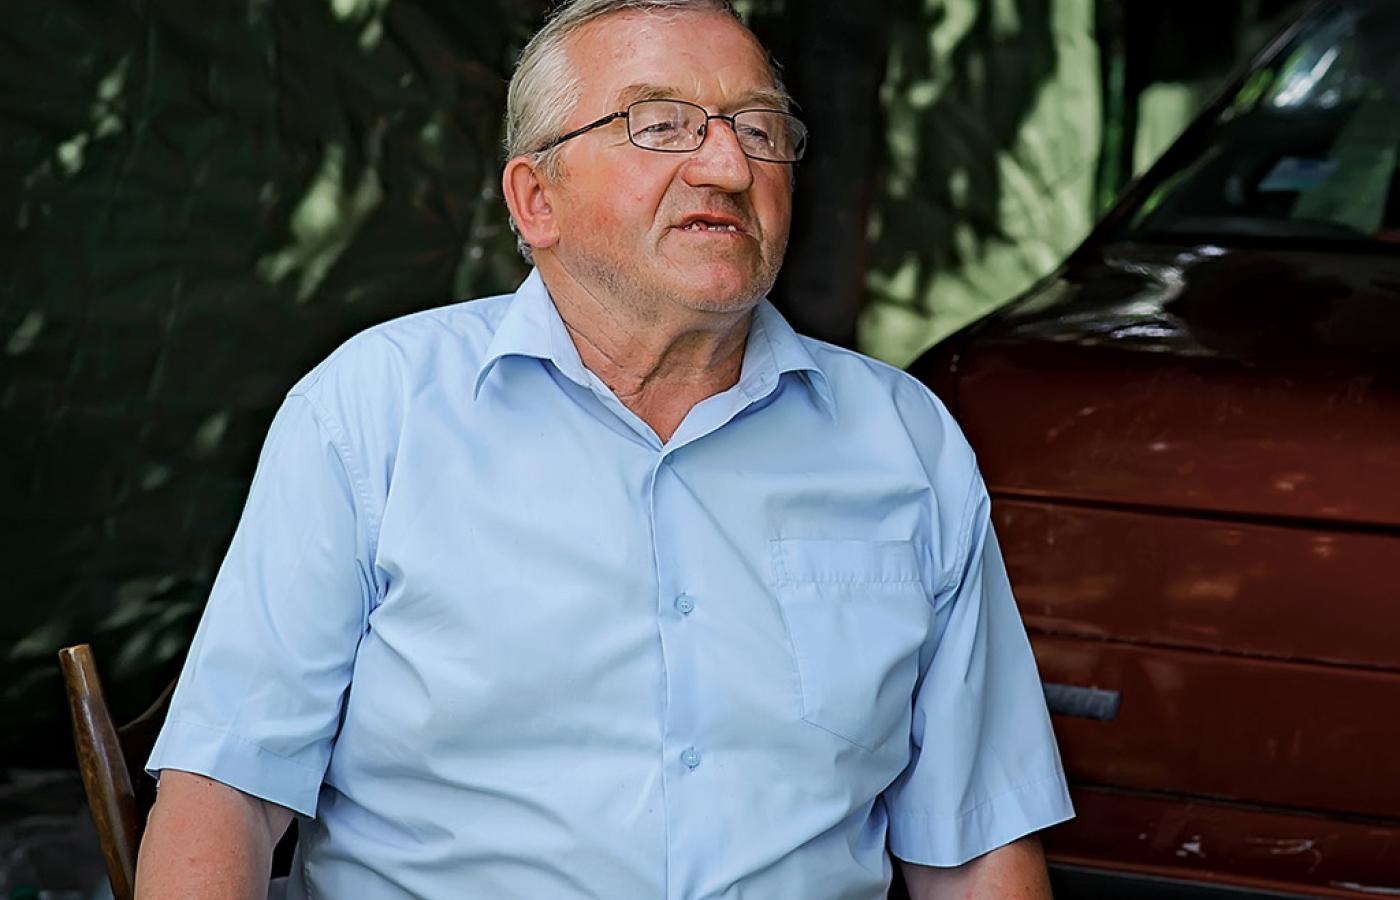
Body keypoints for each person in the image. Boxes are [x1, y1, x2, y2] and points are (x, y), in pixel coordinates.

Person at [135, 1, 1073, 897]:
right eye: (659, 125)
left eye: (758, 129)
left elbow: (977, 844)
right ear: (535, 199)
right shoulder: (375, 410)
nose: (728, 167)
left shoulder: (903, 441)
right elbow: (227, 790)